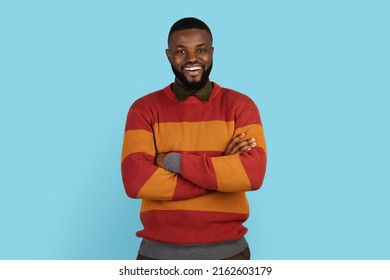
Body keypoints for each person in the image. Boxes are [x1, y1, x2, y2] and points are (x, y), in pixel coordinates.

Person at [121, 17, 267, 260]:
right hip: (157, 257)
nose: (191, 59)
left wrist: (171, 161)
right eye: (181, 51)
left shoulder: (241, 106)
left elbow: (252, 175)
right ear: (168, 55)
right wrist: (220, 170)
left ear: (212, 52)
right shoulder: (143, 109)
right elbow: (136, 182)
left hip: (229, 256)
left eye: (200, 50)